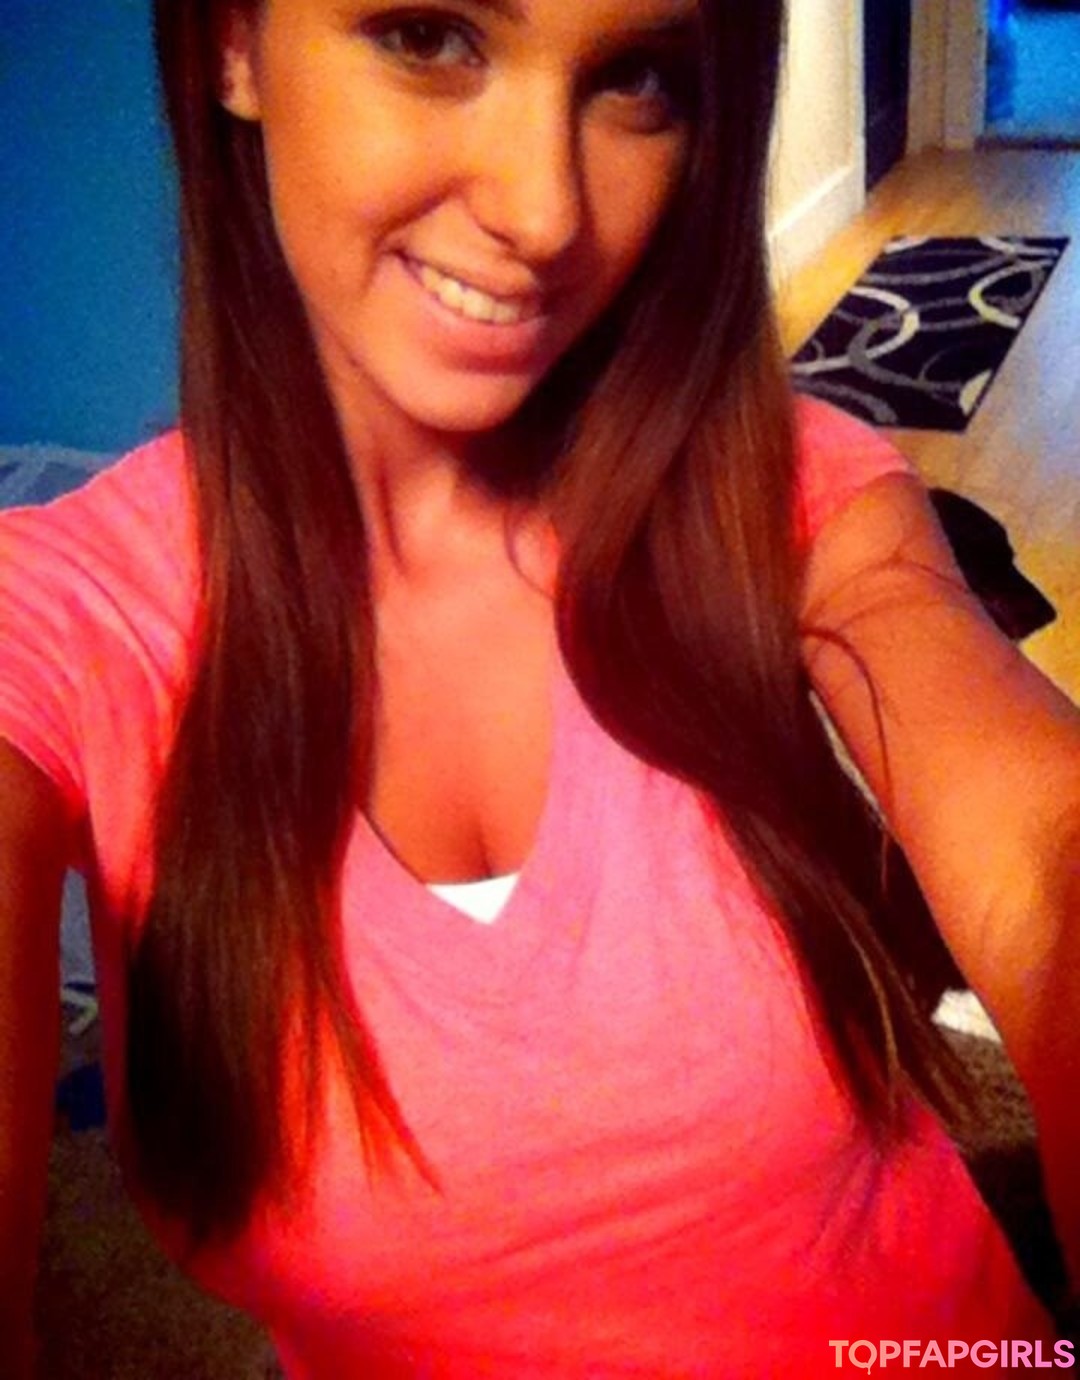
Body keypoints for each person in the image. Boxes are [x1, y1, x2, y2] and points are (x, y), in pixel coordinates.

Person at [1, 0, 1078, 1374]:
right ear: (231, 42)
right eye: (431, 37)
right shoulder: (60, 617)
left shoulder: (792, 498)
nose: (547, 212)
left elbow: (1048, 866)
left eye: (637, 79)